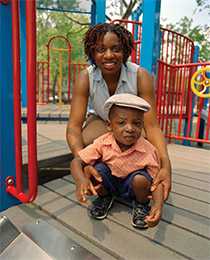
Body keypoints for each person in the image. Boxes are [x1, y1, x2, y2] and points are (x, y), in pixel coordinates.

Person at [66, 23, 171, 218]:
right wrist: (81, 163)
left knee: (145, 140)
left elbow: (152, 125)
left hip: (130, 121)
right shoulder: (86, 77)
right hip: (102, 120)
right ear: (91, 51)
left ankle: (137, 179)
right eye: (100, 49)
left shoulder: (140, 76)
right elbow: (73, 126)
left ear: (125, 51)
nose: (108, 55)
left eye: (116, 49)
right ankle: (102, 179)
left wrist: (166, 165)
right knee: (89, 139)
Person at [71, 93, 164, 229]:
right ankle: (105, 197)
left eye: (137, 123)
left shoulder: (148, 149)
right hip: (110, 182)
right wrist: (81, 180)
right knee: (93, 170)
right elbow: (76, 161)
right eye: (121, 123)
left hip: (133, 187)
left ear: (142, 126)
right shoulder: (103, 142)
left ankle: (141, 204)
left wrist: (157, 205)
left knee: (141, 180)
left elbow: (157, 182)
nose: (130, 128)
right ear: (109, 125)